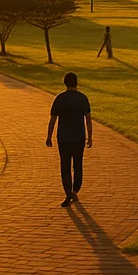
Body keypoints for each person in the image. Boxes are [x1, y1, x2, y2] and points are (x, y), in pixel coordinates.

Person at [45, 71, 92, 207]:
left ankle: (68, 193)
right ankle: (75, 190)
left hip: (63, 137)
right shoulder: (83, 98)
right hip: (79, 137)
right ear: (77, 82)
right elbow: (88, 119)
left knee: (65, 166)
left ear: (64, 83)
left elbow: (52, 120)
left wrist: (49, 136)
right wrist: (90, 136)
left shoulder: (59, 98)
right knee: (78, 165)